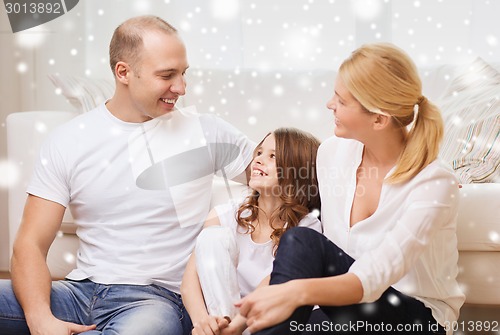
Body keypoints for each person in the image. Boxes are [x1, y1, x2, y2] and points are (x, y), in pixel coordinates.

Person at [0, 15, 255, 335]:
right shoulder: (69, 139)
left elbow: (285, 179)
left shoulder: (208, 133)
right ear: (123, 72)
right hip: (77, 294)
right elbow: (30, 244)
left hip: (154, 300)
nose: (181, 87)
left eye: (183, 73)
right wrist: (41, 321)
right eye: (167, 75)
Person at [236, 42, 465, 335]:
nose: (330, 104)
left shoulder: (433, 183)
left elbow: (374, 275)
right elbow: (304, 252)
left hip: (415, 320)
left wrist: (298, 293)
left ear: (379, 119)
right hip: (345, 311)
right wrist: (241, 321)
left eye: (342, 101)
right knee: (301, 240)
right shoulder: (333, 153)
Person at [181, 127, 323, 335]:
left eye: (273, 156)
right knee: (213, 237)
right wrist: (203, 323)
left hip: (270, 321)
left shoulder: (307, 226)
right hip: (224, 317)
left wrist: (239, 324)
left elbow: (274, 282)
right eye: (259, 153)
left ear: (297, 170)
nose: (258, 160)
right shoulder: (224, 214)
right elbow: (189, 282)